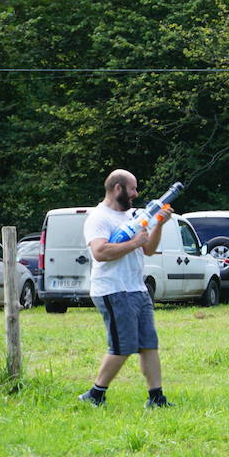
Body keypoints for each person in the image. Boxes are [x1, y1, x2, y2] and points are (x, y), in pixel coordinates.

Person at [79, 170, 173, 409]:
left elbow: (148, 249)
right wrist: (133, 243)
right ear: (118, 188)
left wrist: (159, 224)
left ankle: (156, 398)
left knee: (148, 345)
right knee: (123, 346)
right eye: (132, 188)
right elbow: (100, 253)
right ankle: (95, 394)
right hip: (112, 289)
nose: (136, 194)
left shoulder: (134, 216)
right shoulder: (99, 218)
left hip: (137, 289)